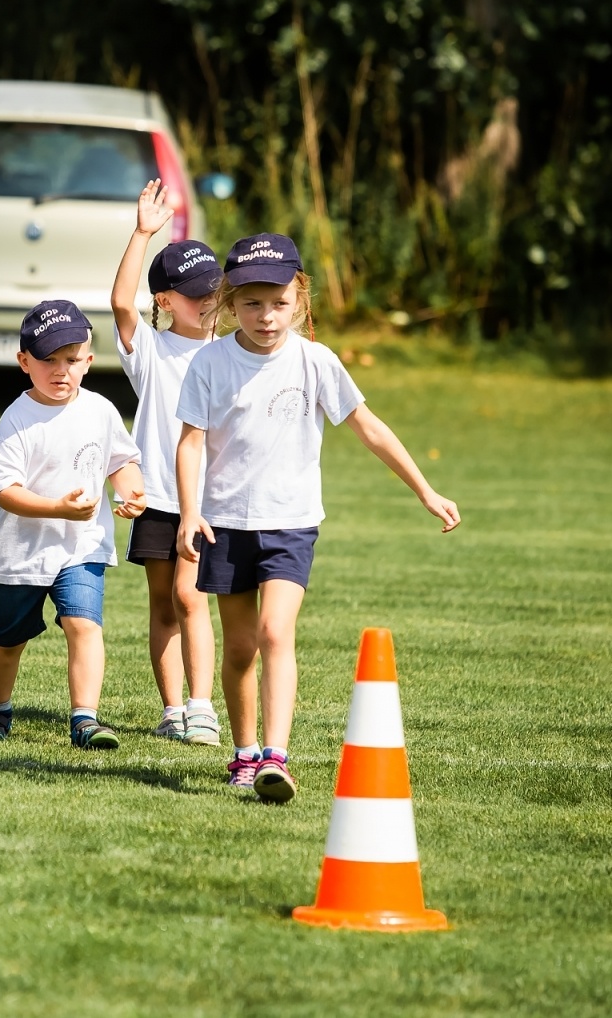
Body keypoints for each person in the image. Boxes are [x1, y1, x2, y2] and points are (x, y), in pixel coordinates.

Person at [175, 233, 460, 803]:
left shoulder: (317, 361)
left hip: (291, 521)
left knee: (276, 631)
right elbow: (190, 442)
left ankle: (275, 758)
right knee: (239, 649)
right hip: (225, 523)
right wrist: (189, 512)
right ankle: (244, 753)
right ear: (231, 302)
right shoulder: (210, 362)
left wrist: (425, 490)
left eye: (279, 303)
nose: (266, 316)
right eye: (252, 303)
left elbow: (369, 428)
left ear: (300, 299)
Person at [0, 301, 146, 749]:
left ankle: (85, 719)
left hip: (81, 546)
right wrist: (56, 509)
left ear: (88, 362)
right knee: (7, 641)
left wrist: (131, 491)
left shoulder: (101, 410)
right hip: (21, 553)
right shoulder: (17, 419)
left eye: (71, 359)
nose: (60, 370)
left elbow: (121, 461)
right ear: (23, 362)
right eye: (47, 359)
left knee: (83, 625)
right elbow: (4, 490)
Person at [107, 179, 222, 745]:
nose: (208, 299)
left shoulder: (231, 351)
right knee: (161, 602)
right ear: (165, 300)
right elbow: (120, 303)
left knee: (188, 595)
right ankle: (172, 708)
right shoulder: (149, 351)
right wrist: (143, 234)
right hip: (156, 493)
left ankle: (202, 706)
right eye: (194, 291)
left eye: (214, 289)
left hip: (207, 500)